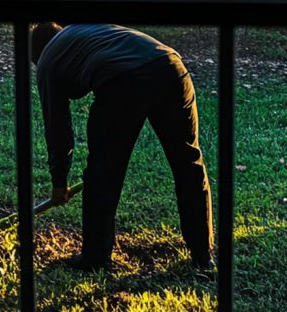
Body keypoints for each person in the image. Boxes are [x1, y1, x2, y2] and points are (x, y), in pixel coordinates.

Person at [31, 23, 214, 272]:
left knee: (103, 173)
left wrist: (59, 183)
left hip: (123, 79)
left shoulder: (47, 60)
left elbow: (58, 129)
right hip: (172, 66)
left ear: (36, 56)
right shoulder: (84, 32)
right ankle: (203, 256)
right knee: (189, 163)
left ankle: (95, 258)